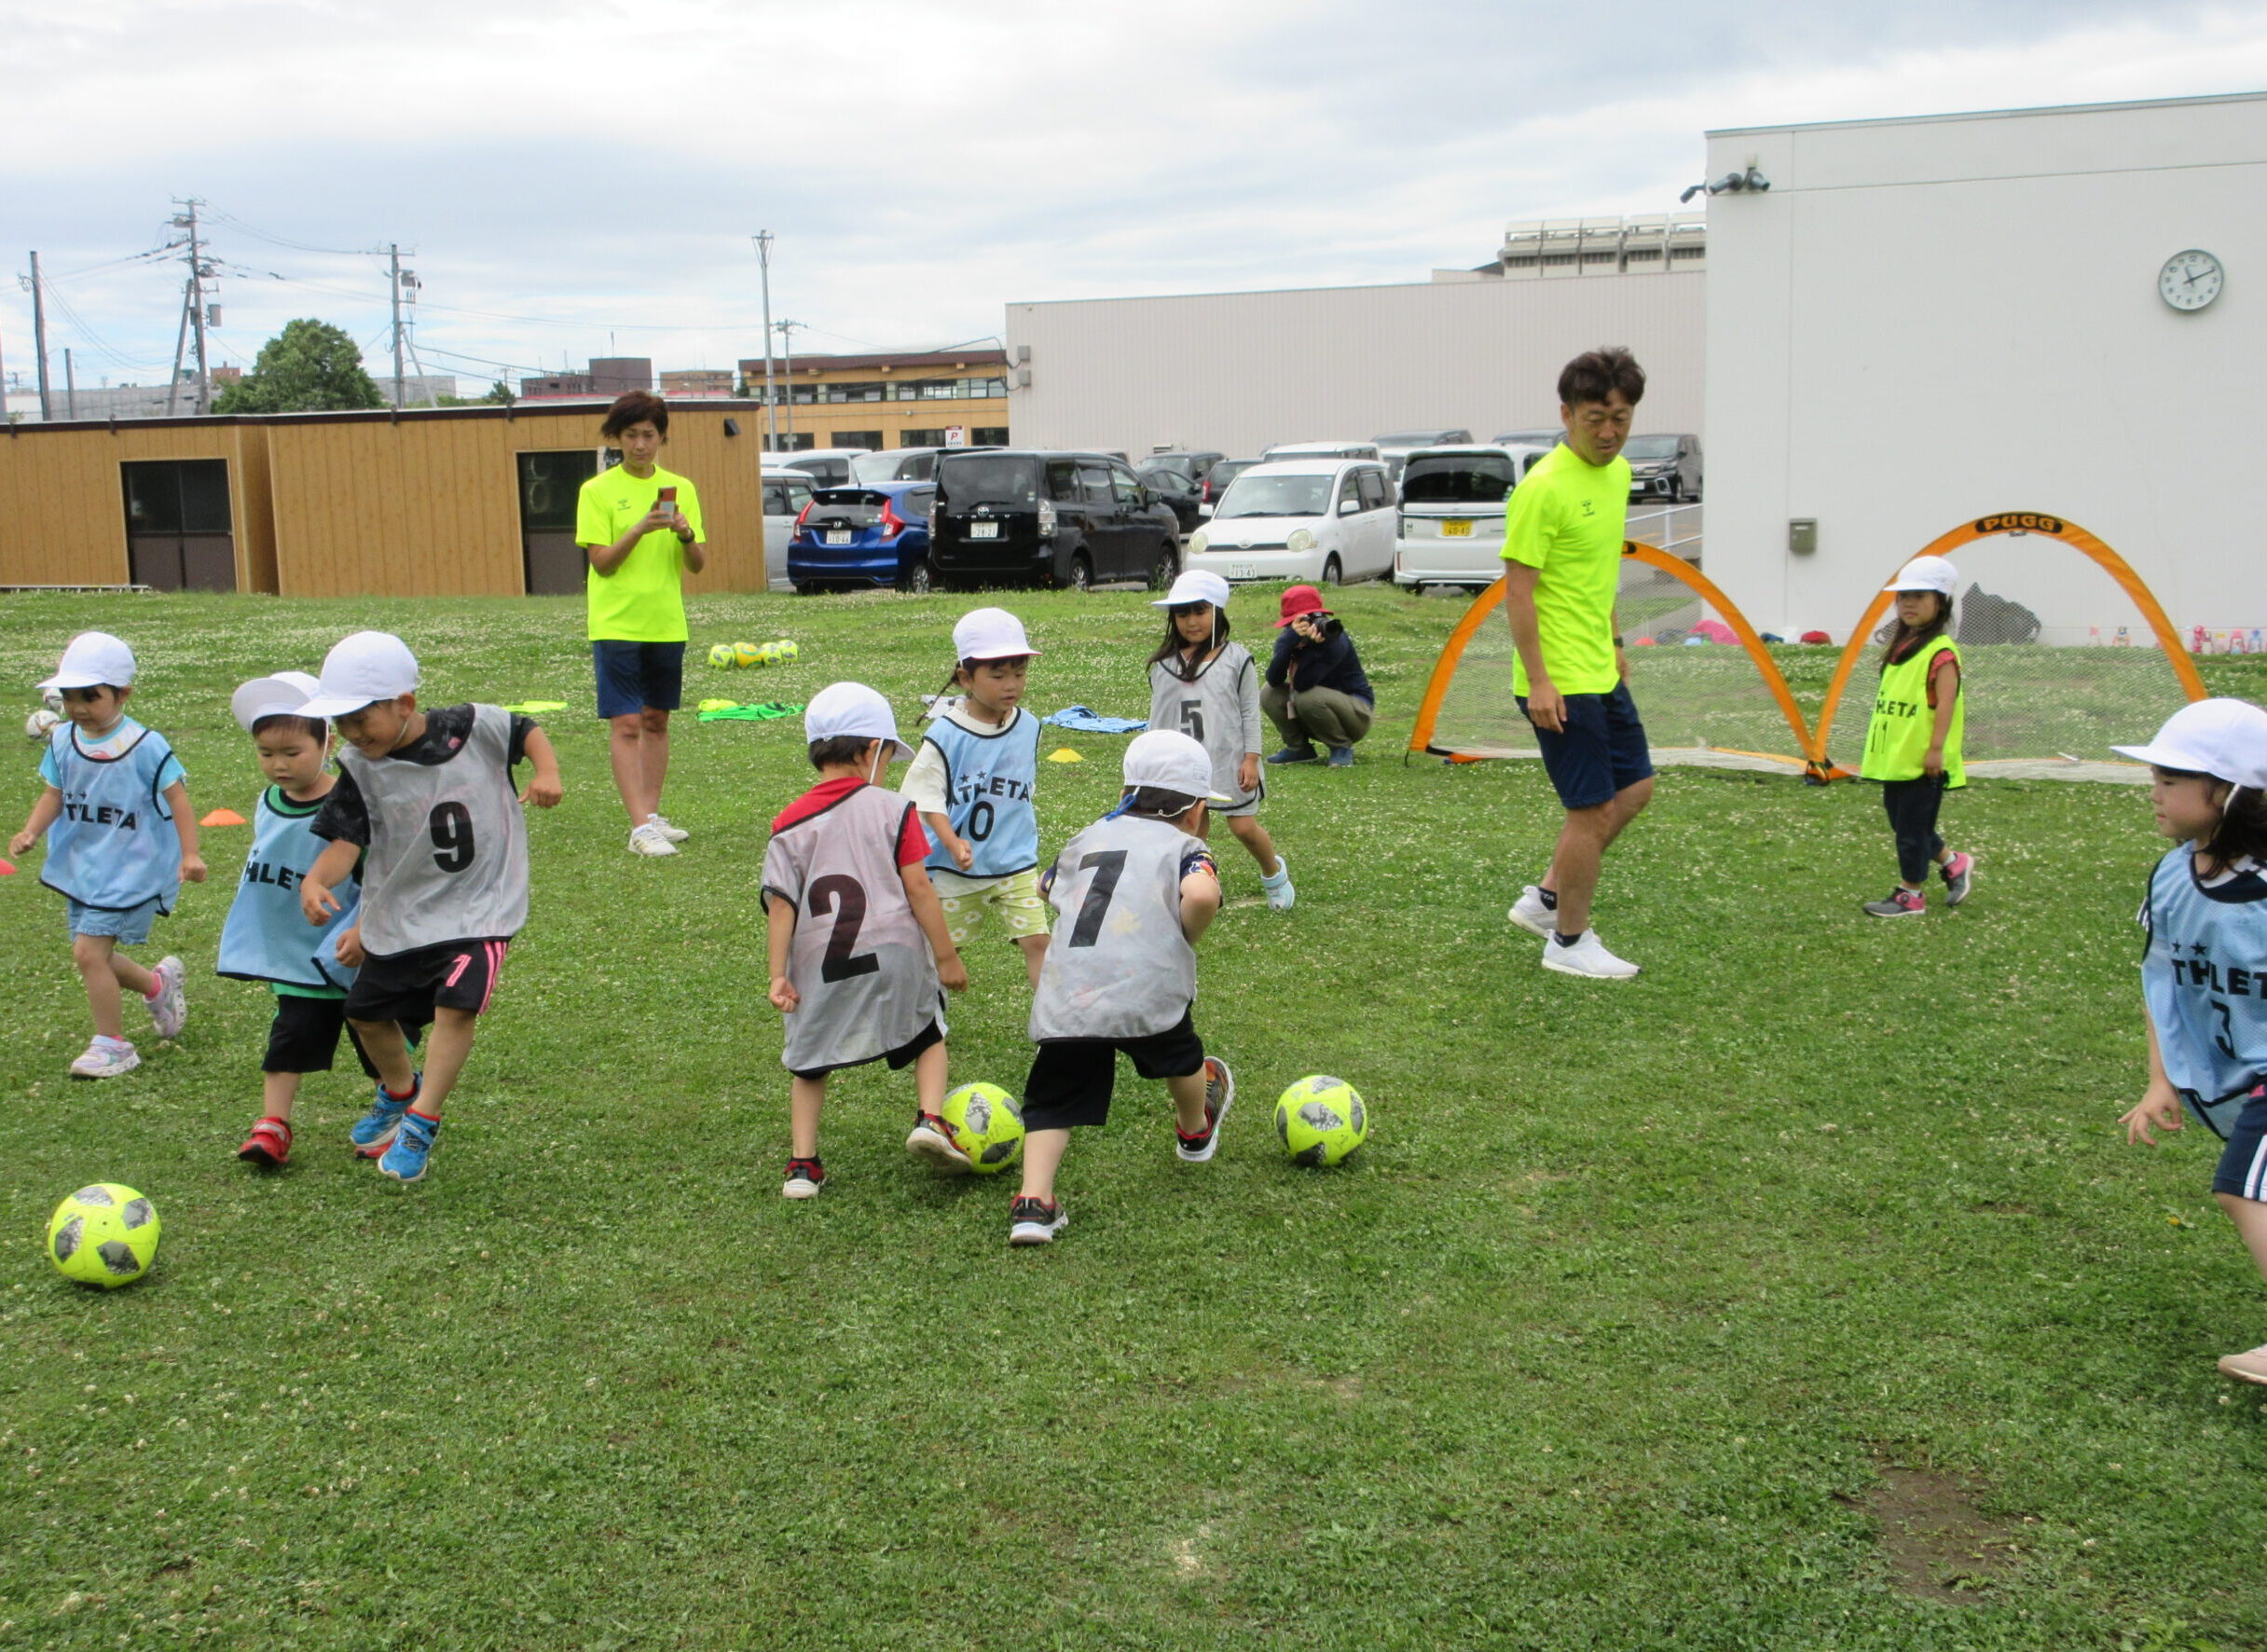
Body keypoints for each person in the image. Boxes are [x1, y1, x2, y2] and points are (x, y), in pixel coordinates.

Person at [296, 631, 564, 1183]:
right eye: (341, 722)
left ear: (404, 704)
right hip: (404, 913)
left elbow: (525, 729)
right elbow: (346, 842)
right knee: (365, 1013)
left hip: (482, 907)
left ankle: (421, 1122)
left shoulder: (472, 725)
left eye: (361, 718)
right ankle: (400, 1093)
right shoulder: (358, 767)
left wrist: (548, 772)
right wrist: (317, 880)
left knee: (455, 1007)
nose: (351, 732)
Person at [1010, 730, 1234, 1246]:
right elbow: (1201, 893)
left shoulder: (1089, 836)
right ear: (1198, 811)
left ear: (1124, 795)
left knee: (1054, 1093)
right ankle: (1194, 1129)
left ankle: (1033, 1203)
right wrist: (1186, 932)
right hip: (1146, 986)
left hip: (1073, 993)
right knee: (1180, 1057)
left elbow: (1046, 885)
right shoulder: (1187, 847)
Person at [2112, 698, 2267, 1387]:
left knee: (2242, 1190)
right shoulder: (2172, 876)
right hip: (2244, 1078)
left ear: (2230, 792)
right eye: (2156, 776)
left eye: (2171, 779)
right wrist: (2161, 1078)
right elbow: (2162, 983)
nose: (2155, 791)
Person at [765, 683, 969, 1198]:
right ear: (871, 750)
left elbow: (781, 904)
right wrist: (946, 956)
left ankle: (803, 1165)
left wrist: (777, 975)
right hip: (896, 953)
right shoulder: (894, 808)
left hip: (820, 966)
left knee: (809, 1062)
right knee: (928, 1033)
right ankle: (930, 1118)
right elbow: (918, 888)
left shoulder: (787, 822)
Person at [1502, 347, 1656, 980]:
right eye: (1596, 418)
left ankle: (1545, 899)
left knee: (1635, 788)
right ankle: (1568, 941)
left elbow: (1599, 571)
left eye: (1621, 418)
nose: (1609, 432)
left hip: (1599, 667)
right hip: (1559, 680)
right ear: (1567, 415)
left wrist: (1615, 641)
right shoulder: (1542, 489)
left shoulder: (1618, 476)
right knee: (1589, 811)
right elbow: (1518, 592)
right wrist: (1539, 681)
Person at [216, 672, 413, 1168]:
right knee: (290, 1038)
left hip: (354, 951)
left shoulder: (352, 803)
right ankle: (272, 1125)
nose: (279, 764)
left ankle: (399, 1116)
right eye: (266, 753)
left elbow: (384, 874)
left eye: (292, 752)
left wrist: (364, 929)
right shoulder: (267, 803)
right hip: (296, 954)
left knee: (375, 1040)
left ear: (327, 743)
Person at [9, 631, 204, 1079]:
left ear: (123, 694)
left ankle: (112, 1045)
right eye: (69, 696)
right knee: (93, 953)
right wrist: (31, 830)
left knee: (88, 953)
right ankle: (156, 985)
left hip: (131, 868)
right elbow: (54, 793)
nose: (77, 707)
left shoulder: (145, 745)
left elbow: (177, 798)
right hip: (85, 866)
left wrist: (190, 854)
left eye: (90, 696)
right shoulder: (63, 740)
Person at [576, 390, 707, 859]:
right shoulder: (596, 491)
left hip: (666, 623)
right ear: (616, 438)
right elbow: (602, 563)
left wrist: (684, 533)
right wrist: (639, 528)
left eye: (648, 435)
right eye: (630, 435)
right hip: (616, 624)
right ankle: (638, 827)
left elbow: (697, 564)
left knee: (656, 720)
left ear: (661, 438)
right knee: (627, 722)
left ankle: (651, 816)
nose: (639, 445)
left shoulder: (681, 487)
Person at [902, 607, 1051, 989]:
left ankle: (1053, 1020)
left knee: (1038, 941)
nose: (1011, 685)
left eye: (1019, 673)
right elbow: (925, 798)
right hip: (956, 868)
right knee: (942, 950)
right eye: (998, 676)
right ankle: (925, 1017)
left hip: (1014, 861)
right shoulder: (945, 734)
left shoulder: (1029, 725)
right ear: (965, 678)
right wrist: (952, 843)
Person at [1147, 570, 1294, 911]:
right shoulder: (1164, 665)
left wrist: (1251, 758)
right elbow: (1159, 719)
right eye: (1182, 613)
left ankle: (1274, 873)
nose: (1191, 621)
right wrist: (1153, 762)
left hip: (1229, 760)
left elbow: (1249, 712)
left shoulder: (1237, 659)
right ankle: (1201, 883)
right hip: (1183, 765)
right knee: (1191, 829)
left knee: (1243, 827)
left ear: (1217, 612)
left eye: (1200, 611)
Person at [1858, 555, 1975, 916]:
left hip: (1923, 760)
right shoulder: (1904, 646)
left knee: (1911, 830)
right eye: (1903, 596)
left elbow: (1946, 704)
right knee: (1904, 822)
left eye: (1920, 596)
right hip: (1897, 756)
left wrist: (1936, 749)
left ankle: (1911, 895)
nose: (1908, 603)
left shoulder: (1941, 652)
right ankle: (1953, 862)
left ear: (1940, 602)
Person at [1261, 584, 1375, 768]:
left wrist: (1317, 647)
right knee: (1268, 692)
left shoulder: (1335, 639)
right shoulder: (1290, 637)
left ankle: (1341, 748)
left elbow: (1303, 683)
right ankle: (1298, 748)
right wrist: (1289, 642)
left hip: (1356, 714)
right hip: (1315, 709)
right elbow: (1274, 679)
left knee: (1306, 696)